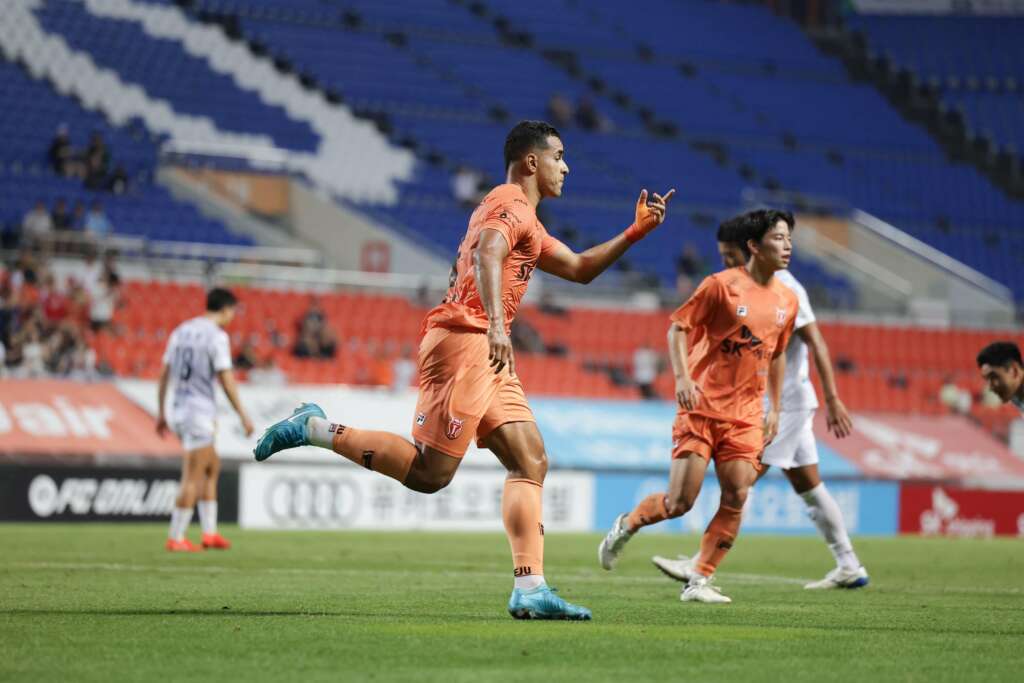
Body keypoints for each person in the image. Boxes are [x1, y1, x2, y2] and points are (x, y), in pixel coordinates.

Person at [254, 120, 675, 620]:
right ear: (530, 162)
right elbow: (487, 251)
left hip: (485, 349)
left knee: (530, 459)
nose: (567, 166)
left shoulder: (529, 222)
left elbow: (581, 269)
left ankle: (530, 587)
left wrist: (635, 232)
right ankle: (315, 427)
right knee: (431, 474)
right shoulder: (508, 203)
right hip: (468, 340)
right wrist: (497, 323)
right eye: (559, 156)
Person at [650, 214, 868, 591]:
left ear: (749, 248)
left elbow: (815, 341)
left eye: (729, 256)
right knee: (810, 488)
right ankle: (849, 564)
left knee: (740, 482)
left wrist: (833, 398)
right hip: (776, 403)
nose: (727, 266)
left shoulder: (784, 286)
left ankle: (702, 566)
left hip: (781, 404)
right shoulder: (746, 284)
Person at [598, 209, 797, 604]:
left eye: (789, 238)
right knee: (680, 503)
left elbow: (777, 355)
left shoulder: (786, 301)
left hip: (744, 415)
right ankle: (628, 524)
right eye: (778, 238)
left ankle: (700, 579)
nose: (788, 245)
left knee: (738, 494)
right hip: (702, 407)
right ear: (754, 246)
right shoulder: (719, 287)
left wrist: (775, 408)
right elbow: (677, 328)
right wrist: (683, 378)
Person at [157, 288, 254, 552]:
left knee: (212, 465)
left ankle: (210, 534)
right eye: (232, 311)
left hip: (180, 408)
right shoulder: (217, 336)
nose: (232, 316)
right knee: (194, 474)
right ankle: (176, 537)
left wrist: (161, 412)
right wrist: (243, 415)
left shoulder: (181, 331)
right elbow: (225, 378)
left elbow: (165, 373)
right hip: (197, 412)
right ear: (225, 309)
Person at [977, 341, 1024, 412]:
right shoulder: (1015, 396)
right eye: (987, 379)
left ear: (1013, 371)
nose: (990, 387)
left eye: (994, 377)